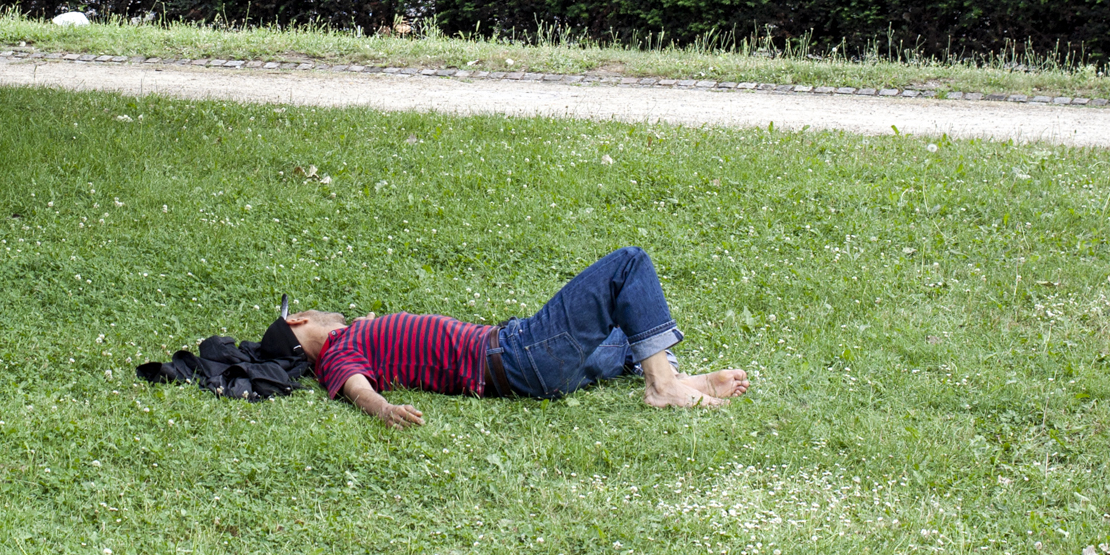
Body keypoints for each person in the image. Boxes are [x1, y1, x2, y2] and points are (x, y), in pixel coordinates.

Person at [261, 247, 749, 428]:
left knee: (624, 324)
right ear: (299, 321)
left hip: (536, 367)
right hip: (514, 355)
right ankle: (663, 387)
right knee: (629, 265)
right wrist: (383, 409)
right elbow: (356, 388)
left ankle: (680, 378)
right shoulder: (338, 353)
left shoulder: (353, 340)